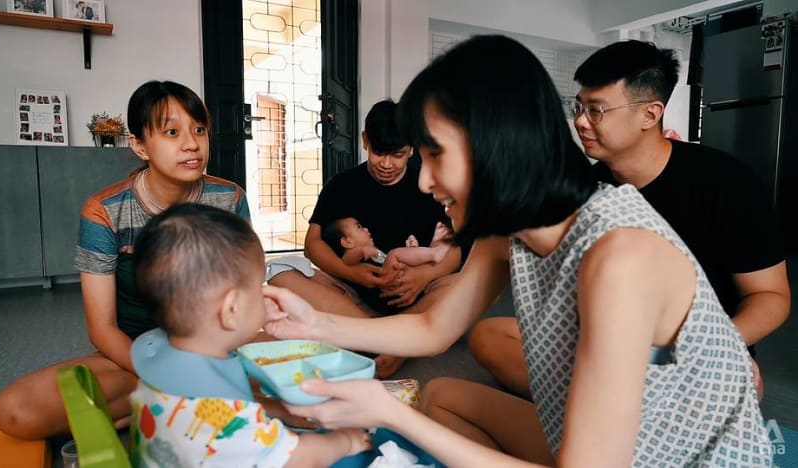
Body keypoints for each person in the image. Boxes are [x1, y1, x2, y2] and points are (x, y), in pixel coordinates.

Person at [261, 35, 773, 466]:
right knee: (441, 397)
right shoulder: (505, 232)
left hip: (679, 459)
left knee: (417, 412)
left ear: (494, 145)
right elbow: (434, 328)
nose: (425, 181)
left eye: (435, 154)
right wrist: (316, 325)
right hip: (617, 445)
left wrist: (387, 411)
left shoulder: (621, 257)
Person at [468, 39, 790, 399]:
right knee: (489, 336)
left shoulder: (727, 182)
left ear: (650, 115)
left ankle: (603, 411)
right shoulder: (585, 190)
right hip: (608, 344)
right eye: (578, 107)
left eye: (596, 110)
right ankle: (609, 411)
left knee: (742, 385)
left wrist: (715, 347)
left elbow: (771, 295)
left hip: (699, 346)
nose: (579, 121)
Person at [0, 80, 252, 440]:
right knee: (14, 411)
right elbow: (102, 328)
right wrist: (161, 373)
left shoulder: (229, 199)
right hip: (134, 356)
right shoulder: (105, 211)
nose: (192, 144)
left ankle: (165, 401)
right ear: (139, 145)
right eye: (172, 132)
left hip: (216, 347)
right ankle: (167, 395)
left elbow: (244, 291)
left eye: (199, 130)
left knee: (303, 365)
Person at [129, 203, 370, 467]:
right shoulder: (225, 415)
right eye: (258, 288)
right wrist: (346, 441)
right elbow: (299, 459)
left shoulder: (161, 357)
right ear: (232, 309)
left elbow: (228, 396)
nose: (265, 295)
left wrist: (272, 408)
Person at [266, 99, 462, 378]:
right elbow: (313, 243)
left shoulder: (427, 185)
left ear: (411, 149)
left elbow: (452, 249)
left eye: (397, 155)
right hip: (355, 297)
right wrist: (350, 273)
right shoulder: (342, 185)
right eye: (379, 152)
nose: (386, 164)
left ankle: (380, 341)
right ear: (365, 140)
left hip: (415, 298)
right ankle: (390, 339)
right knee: (281, 273)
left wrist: (423, 278)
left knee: (463, 283)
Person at [322, 217, 452, 282]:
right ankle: (434, 252)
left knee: (399, 255)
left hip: (398, 277)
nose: (366, 229)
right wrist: (360, 251)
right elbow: (347, 261)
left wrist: (410, 250)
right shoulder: (354, 255)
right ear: (347, 242)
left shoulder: (375, 252)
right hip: (384, 289)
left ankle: (431, 248)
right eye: (359, 227)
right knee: (394, 254)